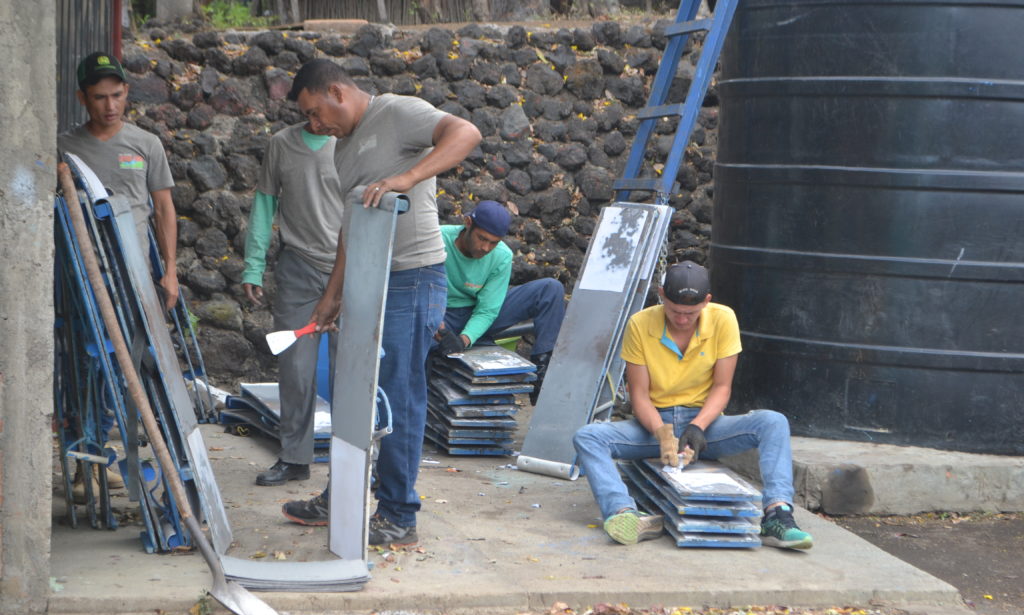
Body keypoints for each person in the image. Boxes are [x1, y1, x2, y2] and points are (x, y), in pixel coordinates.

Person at [280, 59, 482, 546]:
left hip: (413, 279)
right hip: (368, 279)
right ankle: (345, 494)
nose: (314, 125)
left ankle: (398, 514)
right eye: (307, 119)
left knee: (398, 393)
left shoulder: (396, 112)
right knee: (354, 389)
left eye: (314, 112)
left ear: (336, 91)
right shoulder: (342, 148)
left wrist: (407, 177)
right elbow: (352, 226)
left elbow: (466, 133)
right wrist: (333, 297)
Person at [572, 261, 813, 550]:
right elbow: (639, 395)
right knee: (588, 437)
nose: (683, 319)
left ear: (707, 301)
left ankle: (777, 513)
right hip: (654, 426)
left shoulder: (724, 319)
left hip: (706, 424)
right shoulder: (640, 324)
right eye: (674, 311)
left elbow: (723, 388)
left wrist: (698, 427)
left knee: (773, 422)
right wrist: (661, 433)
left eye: (691, 313)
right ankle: (624, 513)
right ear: (661, 295)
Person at [243, 121, 346, 487]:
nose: (316, 118)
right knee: (296, 369)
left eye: (320, 110)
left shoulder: (352, 140)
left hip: (349, 269)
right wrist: (253, 265)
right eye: (307, 111)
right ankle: (294, 458)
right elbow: (264, 204)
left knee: (350, 371)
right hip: (299, 268)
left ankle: (356, 462)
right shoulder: (282, 144)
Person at [58, 51, 178, 311]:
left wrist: (170, 271)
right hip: (79, 275)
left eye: (116, 95)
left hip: (133, 271)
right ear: (82, 98)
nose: (110, 107)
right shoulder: (63, 147)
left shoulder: (147, 144)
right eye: (99, 98)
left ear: (126, 90)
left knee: (137, 345)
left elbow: (163, 208)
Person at [435, 200, 565, 404]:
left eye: (493, 242)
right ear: (468, 223)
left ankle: (541, 374)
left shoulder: (502, 255)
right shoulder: (437, 239)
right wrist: (436, 325)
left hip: (478, 314)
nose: (486, 248)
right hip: (441, 314)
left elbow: (487, 310)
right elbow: (418, 291)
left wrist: (464, 340)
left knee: (551, 289)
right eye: (482, 239)